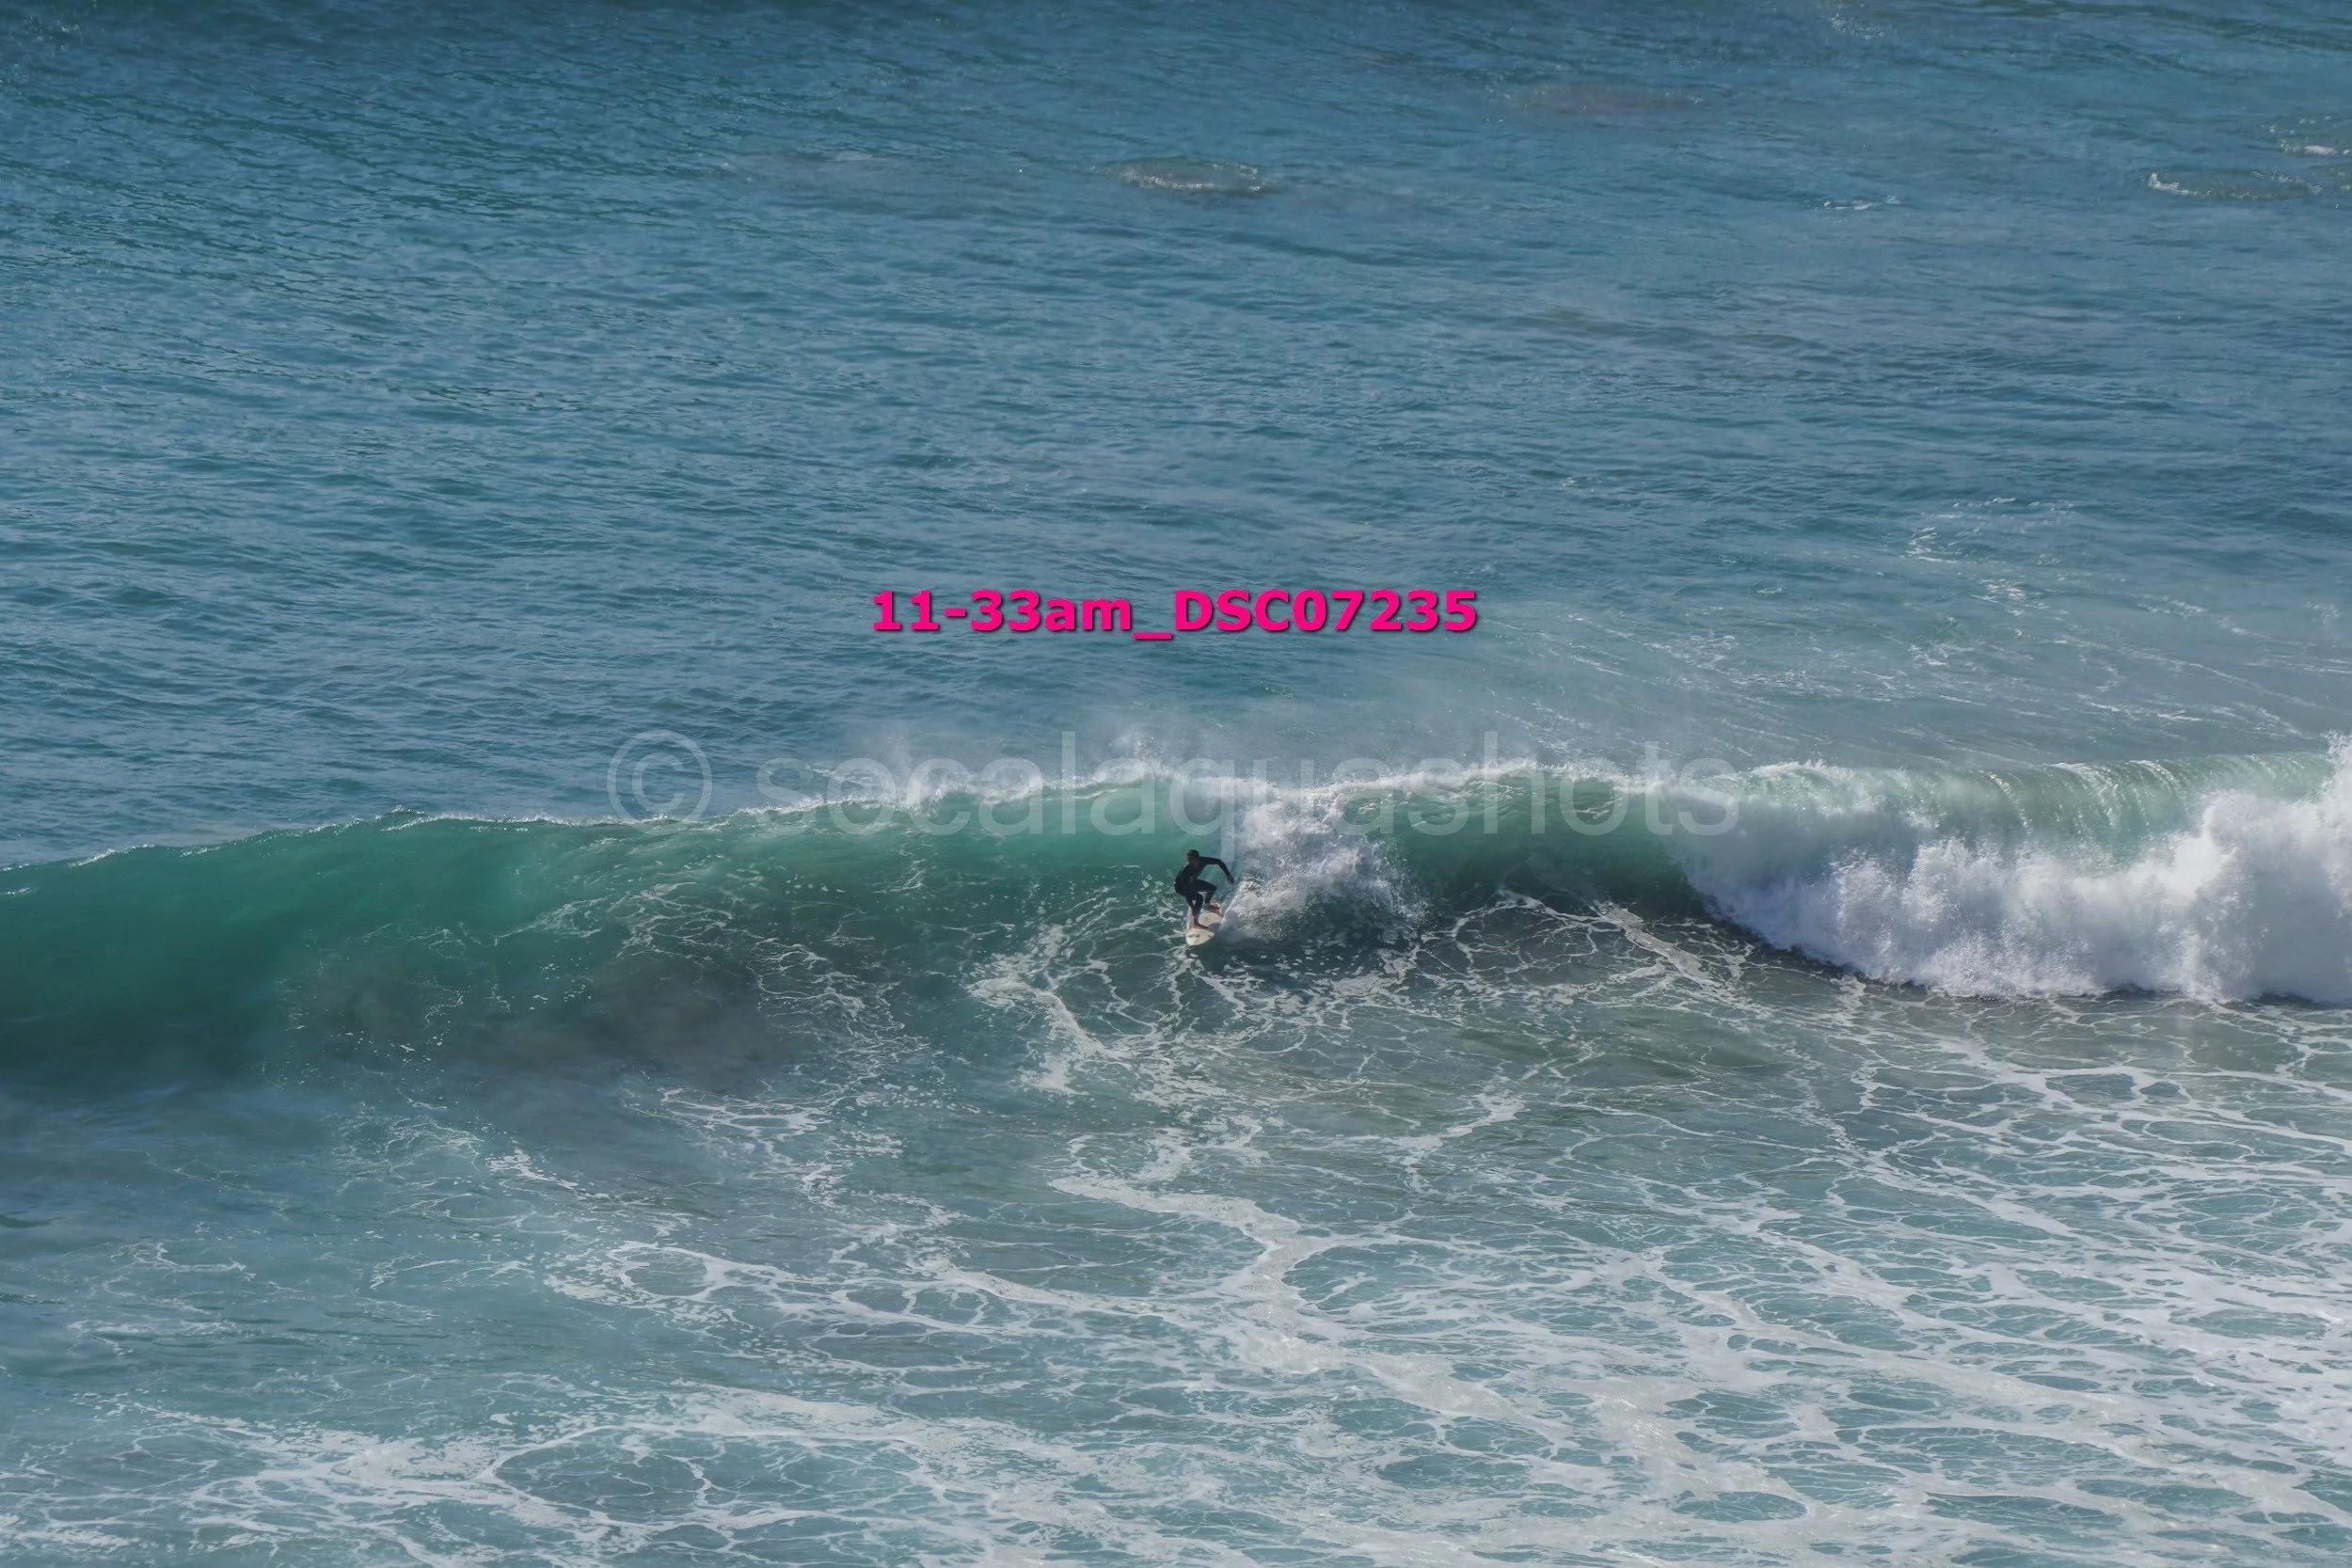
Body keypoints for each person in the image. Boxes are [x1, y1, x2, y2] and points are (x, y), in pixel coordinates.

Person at [1173, 849, 1233, 929]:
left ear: (1197, 858)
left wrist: (1228, 874)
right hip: (1180, 887)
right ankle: (1196, 922)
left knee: (1212, 888)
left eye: (1191, 859)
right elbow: (1186, 891)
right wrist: (1192, 906)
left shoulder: (1203, 860)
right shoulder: (1186, 871)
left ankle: (1207, 905)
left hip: (1191, 882)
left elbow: (1219, 862)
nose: (1189, 861)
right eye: (1188, 859)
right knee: (1199, 898)